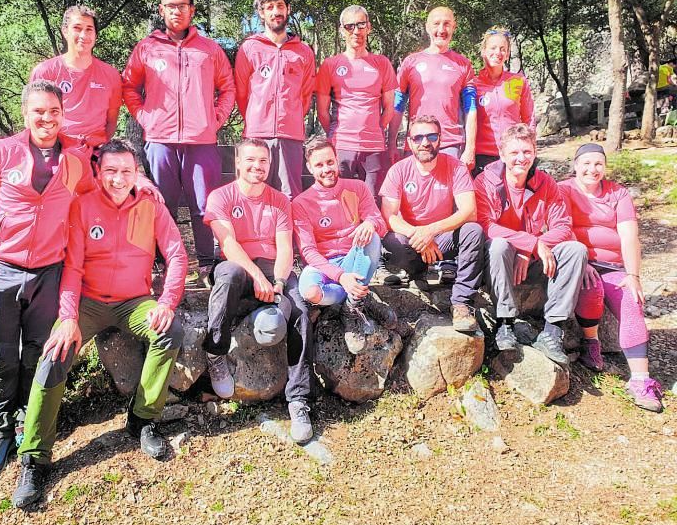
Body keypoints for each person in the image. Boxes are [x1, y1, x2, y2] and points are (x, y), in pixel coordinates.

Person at [11, 139, 188, 508]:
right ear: (98, 171)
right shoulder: (83, 206)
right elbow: (72, 268)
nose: (118, 178)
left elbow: (176, 254)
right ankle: (34, 456)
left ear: (136, 172)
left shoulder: (151, 207)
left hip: (134, 302)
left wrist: (167, 302)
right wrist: (68, 317)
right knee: (55, 354)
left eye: (126, 171)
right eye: (110, 171)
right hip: (89, 301)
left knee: (170, 330)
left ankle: (142, 419)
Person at [0, 80, 95, 483]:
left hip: (49, 271)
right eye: (39, 111)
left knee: (37, 353)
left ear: (62, 114)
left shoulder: (74, 159)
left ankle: (26, 420)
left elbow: (92, 192)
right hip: (2, 269)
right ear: (25, 113)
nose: (47, 119)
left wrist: (140, 186)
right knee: (2, 357)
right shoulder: (2, 152)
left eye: (54, 111)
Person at [122, 0, 236, 285]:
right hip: (160, 141)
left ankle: (207, 264)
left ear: (191, 10)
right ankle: (165, 264)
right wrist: (145, 117)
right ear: (162, 10)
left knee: (204, 205)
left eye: (182, 5)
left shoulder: (209, 50)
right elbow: (129, 86)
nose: (176, 10)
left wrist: (216, 119)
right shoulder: (146, 48)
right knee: (161, 205)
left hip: (202, 142)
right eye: (170, 6)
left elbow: (228, 87)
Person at [202, 139, 314, 443]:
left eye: (263, 161)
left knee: (300, 310)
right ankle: (215, 353)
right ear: (237, 162)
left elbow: (284, 248)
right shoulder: (220, 197)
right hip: (238, 265)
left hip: (272, 270)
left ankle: (298, 399)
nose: (257, 167)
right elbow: (229, 245)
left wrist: (277, 281)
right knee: (227, 275)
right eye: (250, 160)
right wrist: (256, 277)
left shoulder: (279, 200)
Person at [559, 143, 663, 412]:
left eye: (598, 164)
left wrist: (633, 274)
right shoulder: (564, 189)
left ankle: (640, 379)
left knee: (632, 298)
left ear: (604, 167)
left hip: (613, 265)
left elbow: (629, 236)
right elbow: (561, 227)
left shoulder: (618, 193)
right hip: (580, 261)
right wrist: (581, 262)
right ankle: (591, 343)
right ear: (576, 164)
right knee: (591, 289)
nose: (592, 170)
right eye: (586, 163)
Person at [474, 123, 587, 364]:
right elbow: (485, 225)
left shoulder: (545, 182)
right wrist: (531, 243)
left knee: (576, 250)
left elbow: (563, 226)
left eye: (527, 152)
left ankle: (553, 330)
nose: (521, 158)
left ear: (534, 153)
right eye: (514, 153)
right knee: (499, 245)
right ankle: (505, 323)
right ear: (502, 154)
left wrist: (532, 248)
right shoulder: (485, 182)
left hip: (533, 262)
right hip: (497, 263)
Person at [379, 115, 484, 333]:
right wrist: (420, 235)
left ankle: (461, 303)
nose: (425, 142)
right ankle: (416, 271)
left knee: (473, 231)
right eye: (418, 137)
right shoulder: (398, 170)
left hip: (442, 239)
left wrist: (432, 230)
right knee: (392, 239)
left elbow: (469, 211)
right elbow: (388, 215)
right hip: (412, 240)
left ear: (440, 139)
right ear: (409, 142)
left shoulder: (456, 167)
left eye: (431, 136)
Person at [292, 138, 396, 340]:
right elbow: (308, 252)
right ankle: (358, 296)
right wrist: (341, 277)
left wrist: (370, 223)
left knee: (372, 237)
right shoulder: (301, 203)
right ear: (309, 168)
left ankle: (352, 308)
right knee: (310, 292)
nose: (326, 169)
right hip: (324, 265)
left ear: (336, 160)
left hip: (353, 258)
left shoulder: (357, 187)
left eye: (330, 162)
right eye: (319, 165)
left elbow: (380, 225)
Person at [234, 0, 316, 200]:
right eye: (269, 7)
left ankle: (287, 237)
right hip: (256, 136)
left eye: (280, 5)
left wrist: (291, 118)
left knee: (289, 198)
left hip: (291, 135)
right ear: (261, 12)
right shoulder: (249, 48)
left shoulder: (304, 52)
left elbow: (306, 95)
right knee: (252, 195)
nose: (276, 11)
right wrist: (258, 119)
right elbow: (242, 94)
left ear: (288, 9)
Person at [315, 5, 397, 201]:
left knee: (372, 201)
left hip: (374, 147)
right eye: (350, 26)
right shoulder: (330, 65)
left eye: (361, 25)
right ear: (342, 30)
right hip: (342, 145)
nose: (356, 31)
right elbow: (323, 112)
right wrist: (337, 134)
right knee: (341, 203)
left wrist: (374, 129)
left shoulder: (382, 63)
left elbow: (389, 109)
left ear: (369, 27)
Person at [388, 6, 476, 166]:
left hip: (450, 144)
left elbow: (471, 110)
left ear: (454, 27)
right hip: (417, 143)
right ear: (427, 27)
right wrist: (391, 143)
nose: (441, 29)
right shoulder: (410, 62)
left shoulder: (463, 64)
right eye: (436, 24)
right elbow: (397, 105)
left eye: (447, 24)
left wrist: (470, 148)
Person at [30, 6, 122, 149]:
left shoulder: (111, 75)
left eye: (89, 29)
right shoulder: (45, 72)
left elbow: (111, 121)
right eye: (77, 28)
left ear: (95, 34)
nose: (83, 35)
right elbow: (34, 117)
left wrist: (99, 147)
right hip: (56, 149)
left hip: (95, 151)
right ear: (65, 31)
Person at [472, 26, 535, 176]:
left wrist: (531, 147)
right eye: (493, 48)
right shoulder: (472, 85)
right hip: (483, 156)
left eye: (503, 49)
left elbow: (529, 118)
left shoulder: (518, 81)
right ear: (484, 52)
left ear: (507, 54)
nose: (498, 53)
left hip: (514, 154)